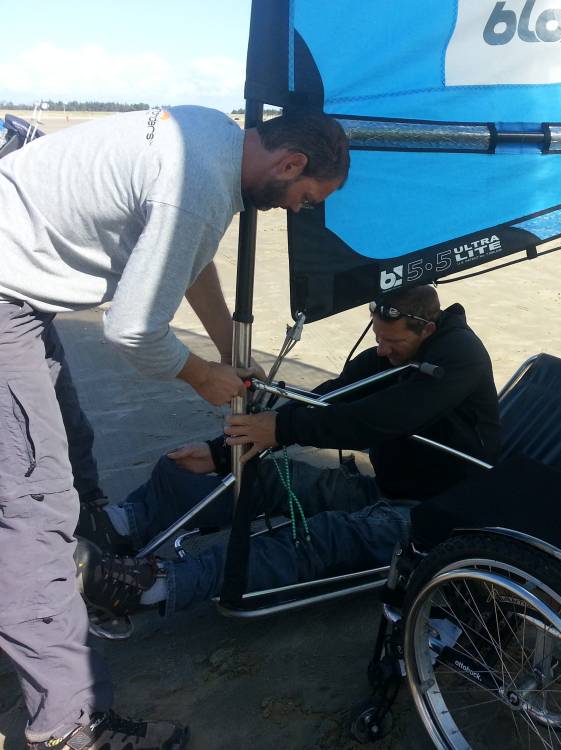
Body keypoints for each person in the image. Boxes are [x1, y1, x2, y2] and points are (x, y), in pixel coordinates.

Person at [0, 106, 349, 750]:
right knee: (33, 506)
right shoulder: (197, 187)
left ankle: (85, 573)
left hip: (22, 291)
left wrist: (229, 348)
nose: (293, 209)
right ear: (291, 164)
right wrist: (200, 376)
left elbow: (188, 261)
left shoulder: (210, 137)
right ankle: (68, 725)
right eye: (304, 199)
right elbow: (132, 329)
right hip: (7, 296)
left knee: (72, 449)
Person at [77, 285, 501, 619]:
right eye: (377, 338)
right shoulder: (392, 354)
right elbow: (330, 399)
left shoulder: (459, 358)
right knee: (260, 476)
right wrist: (223, 451)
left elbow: (380, 419)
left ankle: (157, 585)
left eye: (392, 341)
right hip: (385, 489)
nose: (382, 350)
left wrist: (280, 430)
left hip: (438, 516)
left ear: (427, 330)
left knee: (323, 535)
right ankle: (123, 524)